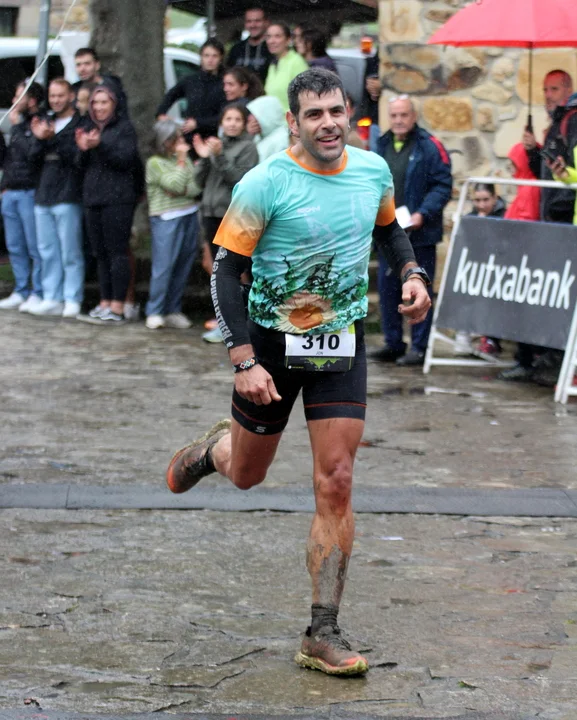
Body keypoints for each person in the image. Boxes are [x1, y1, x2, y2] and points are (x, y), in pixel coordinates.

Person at [165, 68, 431, 676]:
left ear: (348, 112)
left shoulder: (372, 171)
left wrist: (412, 275)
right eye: (314, 114)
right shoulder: (265, 183)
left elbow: (389, 232)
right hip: (270, 348)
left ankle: (322, 630)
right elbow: (224, 273)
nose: (328, 124)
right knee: (247, 476)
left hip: (339, 345)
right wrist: (243, 361)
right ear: (293, 123)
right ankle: (215, 452)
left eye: (336, 111)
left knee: (336, 479)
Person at [500, 70, 577, 385]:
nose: (548, 95)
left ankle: (550, 360)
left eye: (554, 89)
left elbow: (567, 174)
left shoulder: (571, 120)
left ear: (568, 89)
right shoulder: (557, 123)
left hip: (561, 224)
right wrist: (534, 150)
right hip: (550, 222)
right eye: (545, 89)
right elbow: (548, 171)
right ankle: (536, 359)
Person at [373, 96, 452, 366]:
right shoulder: (381, 144)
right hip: (389, 232)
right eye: (394, 115)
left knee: (419, 289)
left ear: (414, 116)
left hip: (420, 234)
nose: (398, 120)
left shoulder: (430, 146)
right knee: (388, 291)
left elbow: (442, 185)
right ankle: (393, 343)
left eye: (403, 115)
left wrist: (423, 214)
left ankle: (419, 347)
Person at [76, 86, 143, 324]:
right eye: (95, 103)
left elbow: (126, 160)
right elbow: (80, 165)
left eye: (104, 102)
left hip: (118, 199)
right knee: (100, 253)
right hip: (93, 197)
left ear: (114, 104)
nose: (99, 107)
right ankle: (104, 301)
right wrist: (83, 149)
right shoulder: (88, 127)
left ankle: (118, 305)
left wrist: (100, 146)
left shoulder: (124, 128)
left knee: (117, 252)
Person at [193, 103, 259, 342]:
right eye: (228, 119)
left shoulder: (248, 147)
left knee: (237, 270)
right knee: (219, 271)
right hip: (210, 213)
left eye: (237, 119)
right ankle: (226, 322)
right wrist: (205, 158)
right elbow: (198, 181)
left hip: (233, 214)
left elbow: (240, 181)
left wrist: (219, 156)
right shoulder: (216, 145)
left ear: (244, 124)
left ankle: (245, 323)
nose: (232, 124)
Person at [27, 79, 84, 318]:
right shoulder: (45, 120)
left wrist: (52, 139)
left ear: (71, 96)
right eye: (52, 96)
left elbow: (76, 158)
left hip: (67, 194)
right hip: (44, 194)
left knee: (70, 251)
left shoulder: (79, 123)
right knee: (47, 250)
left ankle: (72, 297)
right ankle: (52, 296)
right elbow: (32, 159)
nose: (56, 100)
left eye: (60, 95)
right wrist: (39, 139)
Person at [144, 120, 201, 331]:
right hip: (166, 218)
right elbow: (176, 184)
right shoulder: (155, 163)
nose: (180, 141)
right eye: (176, 138)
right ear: (165, 141)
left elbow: (195, 187)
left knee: (183, 264)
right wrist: (181, 167)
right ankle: (155, 310)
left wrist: (179, 186)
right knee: (164, 266)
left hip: (189, 213)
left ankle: (172, 310)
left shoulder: (182, 160)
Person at [0, 81, 44, 311]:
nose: (13, 102)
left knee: (34, 246)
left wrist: (17, 128)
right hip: (10, 191)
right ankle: (21, 289)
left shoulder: (38, 123)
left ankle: (38, 291)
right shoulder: (17, 125)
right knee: (15, 245)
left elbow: (33, 155)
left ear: (32, 100)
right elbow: (7, 159)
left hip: (29, 191)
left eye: (19, 96)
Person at [454, 183, 506, 357]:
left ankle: (491, 340)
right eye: (477, 200)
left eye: (485, 200)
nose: (481, 205)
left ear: (494, 198)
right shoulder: (471, 217)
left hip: (499, 269)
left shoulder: (505, 216)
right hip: (477, 268)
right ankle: (465, 334)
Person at [157, 40, 226, 140]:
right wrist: (161, 113)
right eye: (206, 56)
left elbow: (225, 116)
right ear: (201, 57)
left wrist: (198, 123)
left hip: (213, 138)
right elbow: (171, 95)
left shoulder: (225, 83)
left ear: (220, 58)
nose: (210, 60)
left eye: (214, 56)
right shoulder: (191, 81)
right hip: (189, 136)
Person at [264, 23, 309, 112]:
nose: (271, 41)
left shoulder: (297, 62)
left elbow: (306, 98)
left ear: (288, 40)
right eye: (268, 37)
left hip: (290, 119)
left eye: (277, 36)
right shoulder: (273, 63)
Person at [72, 47, 127, 115]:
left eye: (87, 64)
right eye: (78, 65)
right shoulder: (74, 90)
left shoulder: (113, 86)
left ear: (97, 65)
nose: (82, 69)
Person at [226, 5, 273, 83]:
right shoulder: (236, 49)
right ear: (245, 24)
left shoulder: (272, 48)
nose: (253, 25)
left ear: (266, 22)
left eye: (257, 21)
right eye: (249, 21)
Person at [245, 95, 289, 162]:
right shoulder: (259, 136)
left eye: (253, 114)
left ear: (266, 114)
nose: (249, 118)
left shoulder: (282, 139)